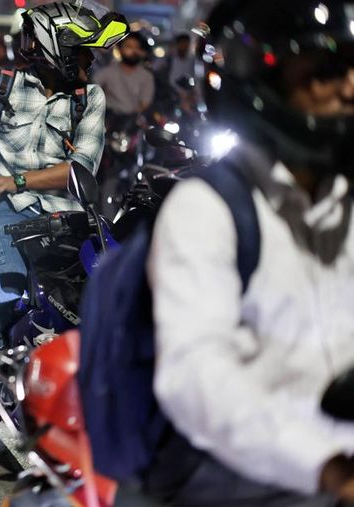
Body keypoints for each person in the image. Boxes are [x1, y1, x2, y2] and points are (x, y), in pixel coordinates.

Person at [147, 0, 354, 504]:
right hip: (246, 478)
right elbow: (195, 374)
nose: (349, 90)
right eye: (324, 74)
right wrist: (323, 465)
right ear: (259, 82)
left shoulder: (346, 200)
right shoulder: (206, 210)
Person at [0, 1, 127, 417]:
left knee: (108, 282)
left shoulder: (90, 97)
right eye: (83, 51)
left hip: (67, 213)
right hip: (4, 211)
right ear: (57, 49)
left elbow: (80, 167)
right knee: (6, 286)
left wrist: (20, 178)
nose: (90, 59)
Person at [94, 32, 155, 116]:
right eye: (129, 46)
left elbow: (145, 103)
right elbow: (93, 88)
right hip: (108, 118)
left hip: (132, 121)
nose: (133, 51)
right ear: (120, 49)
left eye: (136, 47)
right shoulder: (108, 71)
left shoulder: (146, 76)